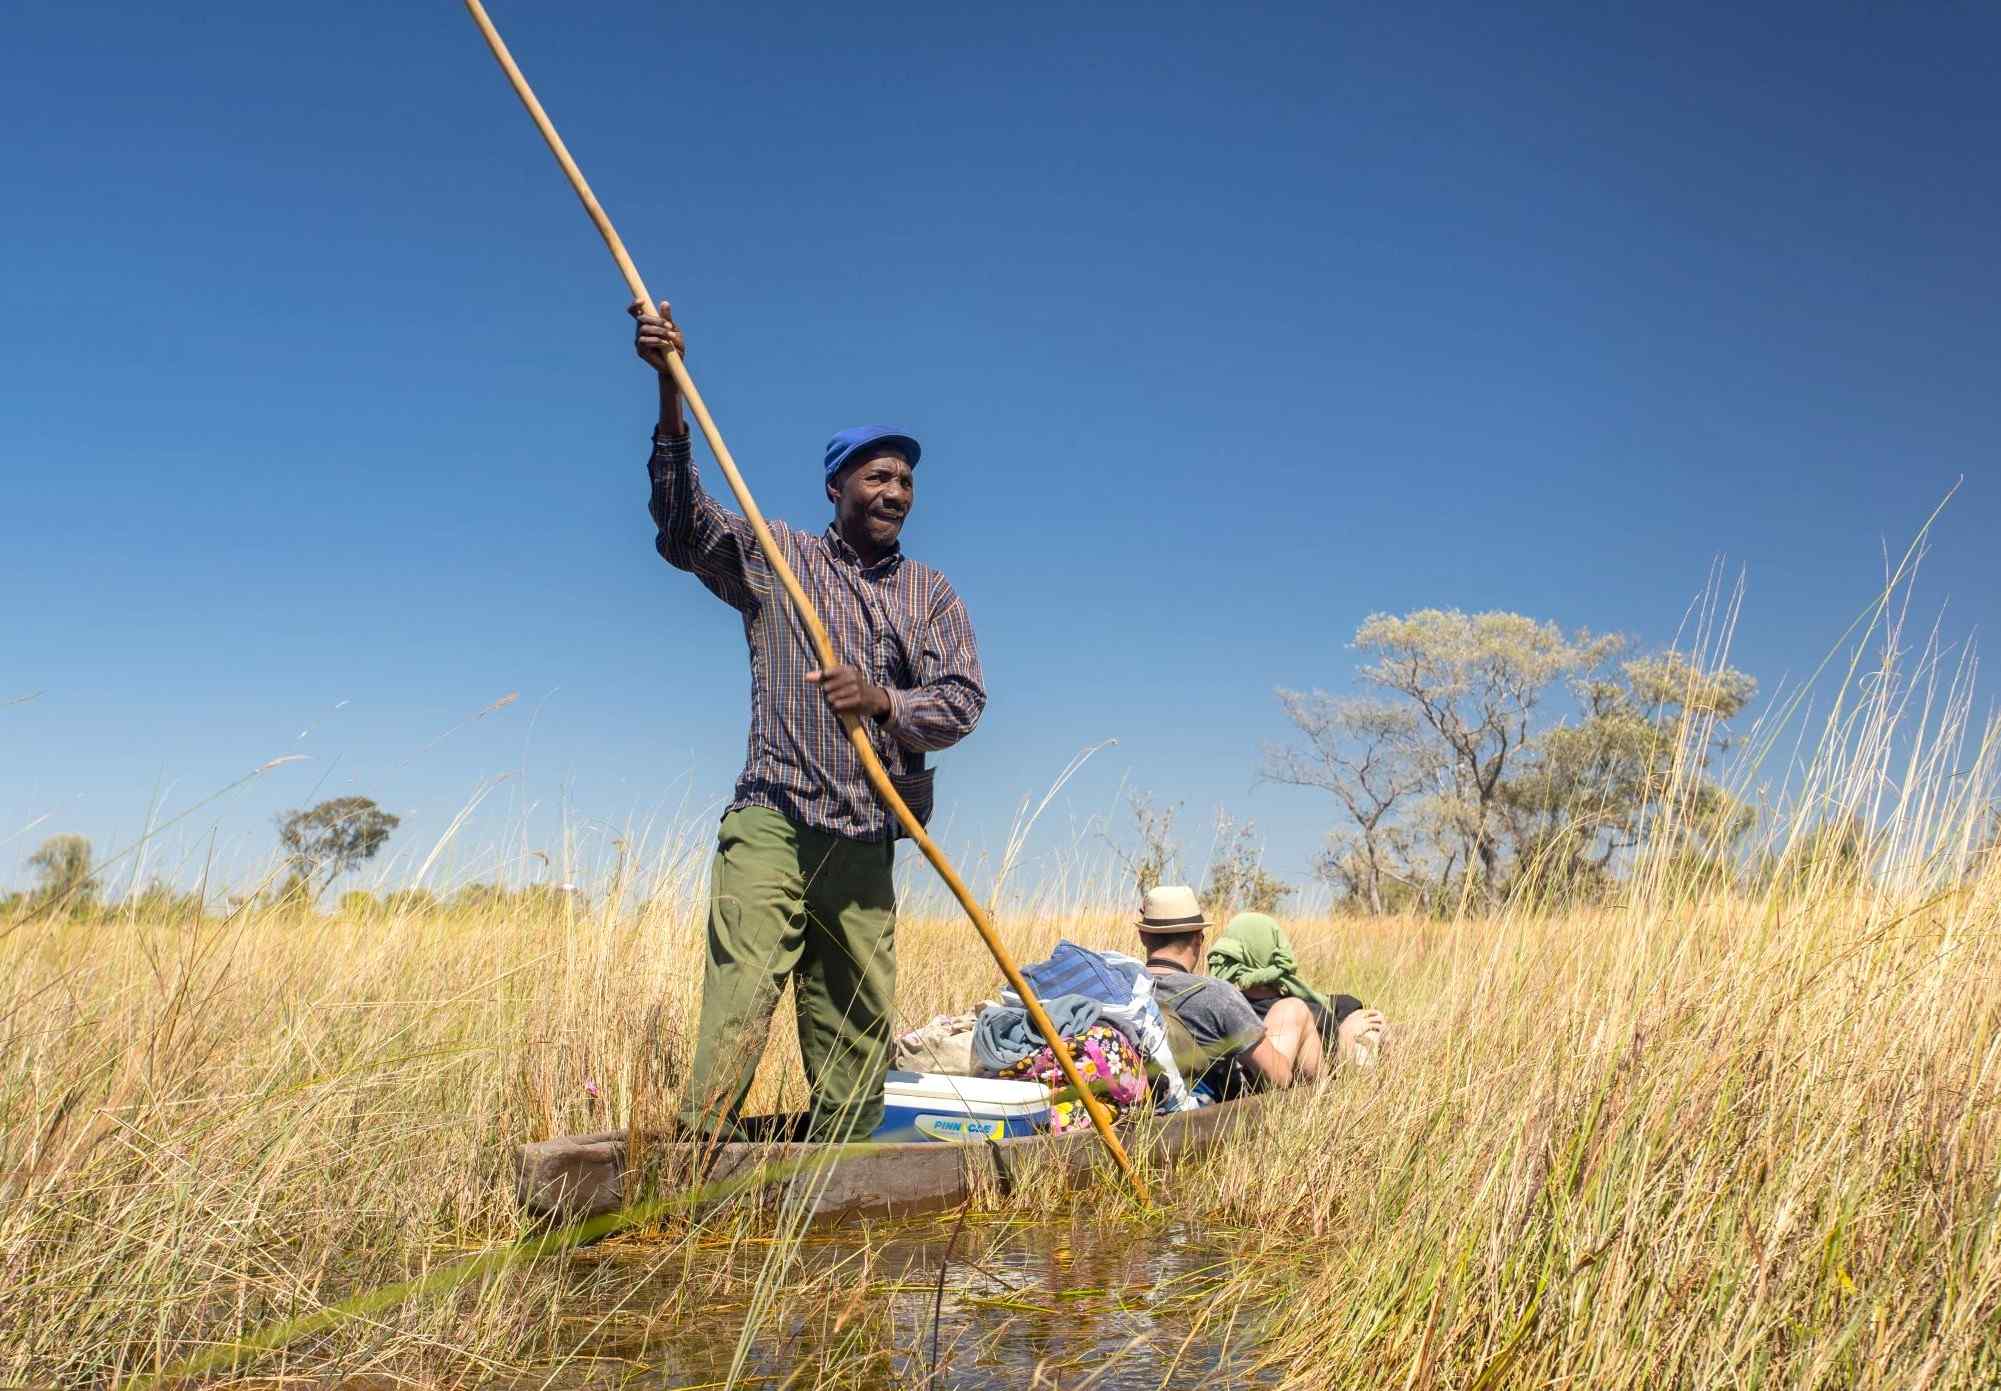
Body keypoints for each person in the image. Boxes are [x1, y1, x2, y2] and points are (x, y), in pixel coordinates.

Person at [632, 299, 987, 1142]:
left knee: (856, 1025)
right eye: (876, 477)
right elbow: (682, 529)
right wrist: (670, 392)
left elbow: (962, 702)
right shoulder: (778, 555)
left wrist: (885, 701)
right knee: (742, 990)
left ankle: (840, 1174)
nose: (894, 492)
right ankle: (696, 1155)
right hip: (775, 816)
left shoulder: (929, 593)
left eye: (904, 481)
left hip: (867, 833)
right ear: (836, 488)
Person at [1134, 885, 1321, 1098]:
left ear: (1143, 936)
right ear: (1198, 939)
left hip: (1146, 1101)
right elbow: (1278, 1078)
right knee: (1294, 1009)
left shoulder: (1125, 989)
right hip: (1214, 1110)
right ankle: (1320, 1098)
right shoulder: (1217, 994)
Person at [1209, 912, 1386, 1066]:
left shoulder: (1222, 1009)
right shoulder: (1298, 1009)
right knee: (1368, 1027)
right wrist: (1346, 1037)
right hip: (1315, 1081)